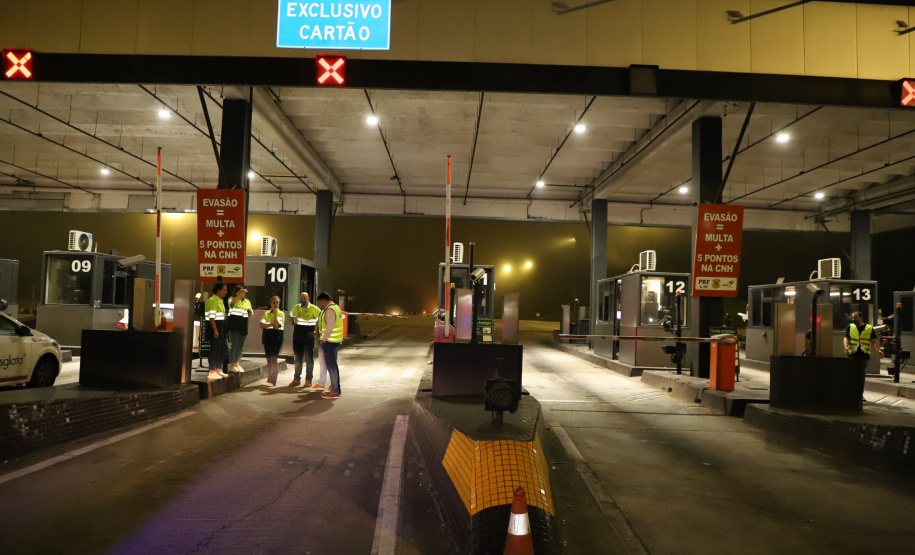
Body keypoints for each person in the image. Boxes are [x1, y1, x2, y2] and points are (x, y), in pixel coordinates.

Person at [289, 292, 321, 387]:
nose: (303, 300)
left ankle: (308, 380)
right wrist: (293, 323)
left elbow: (321, 320)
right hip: (297, 337)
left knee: (308, 359)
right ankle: (296, 379)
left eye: (304, 298)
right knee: (298, 359)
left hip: (308, 338)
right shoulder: (296, 308)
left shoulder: (314, 309)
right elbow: (290, 315)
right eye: (301, 298)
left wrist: (316, 332)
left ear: (309, 299)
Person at [316, 291, 344, 400]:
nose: (320, 305)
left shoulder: (330, 310)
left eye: (320, 302)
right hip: (334, 341)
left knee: (331, 366)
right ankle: (335, 388)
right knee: (333, 366)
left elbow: (330, 327)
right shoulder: (335, 307)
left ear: (323, 300)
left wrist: (323, 339)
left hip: (330, 342)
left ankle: (335, 391)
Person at [205, 282, 229, 380]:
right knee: (214, 349)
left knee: (224, 349)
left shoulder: (220, 301)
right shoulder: (213, 301)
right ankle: (211, 371)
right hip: (215, 329)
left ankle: (218, 369)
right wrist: (215, 330)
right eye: (224, 289)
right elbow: (212, 317)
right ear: (218, 290)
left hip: (221, 329)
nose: (226, 291)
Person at [227, 285, 253, 372]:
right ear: (236, 292)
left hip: (243, 325)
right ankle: (232, 364)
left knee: (240, 346)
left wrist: (249, 313)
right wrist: (239, 295)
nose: (242, 294)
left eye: (243, 292)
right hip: (234, 325)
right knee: (233, 345)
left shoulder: (247, 302)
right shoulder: (231, 299)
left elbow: (250, 312)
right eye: (240, 292)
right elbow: (232, 303)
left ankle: (238, 363)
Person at [260, 295, 285, 387]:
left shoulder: (281, 313)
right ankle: (269, 379)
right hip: (267, 337)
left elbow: (276, 326)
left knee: (273, 359)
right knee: (269, 359)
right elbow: (261, 324)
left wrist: (274, 314)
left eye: (277, 302)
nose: (275, 304)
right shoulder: (266, 313)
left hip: (276, 337)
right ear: (271, 303)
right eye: (274, 302)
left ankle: (273, 380)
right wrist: (271, 324)